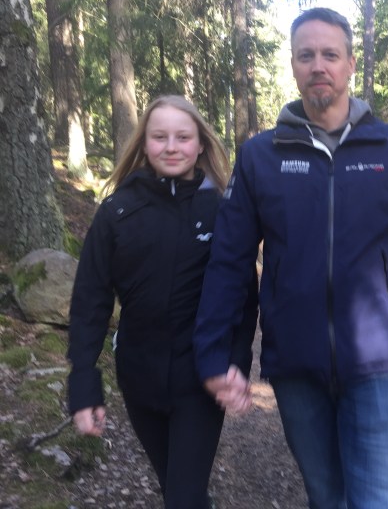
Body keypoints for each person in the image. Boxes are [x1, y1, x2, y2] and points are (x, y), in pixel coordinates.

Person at [194, 7, 388, 509]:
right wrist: (215, 355)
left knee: (383, 499)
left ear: (350, 64)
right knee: (328, 497)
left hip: (378, 361)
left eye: (330, 55)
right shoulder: (260, 156)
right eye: (306, 55)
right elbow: (229, 262)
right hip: (294, 362)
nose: (319, 65)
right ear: (293, 65)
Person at [67, 95, 258, 509]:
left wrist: (236, 363)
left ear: (201, 144)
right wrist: (83, 381)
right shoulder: (116, 211)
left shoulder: (223, 210)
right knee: (176, 487)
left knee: (183, 497)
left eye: (183, 137)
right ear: (144, 143)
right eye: (160, 137)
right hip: (138, 378)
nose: (172, 147)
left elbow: (244, 298)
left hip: (199, 379)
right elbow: (90, 299)